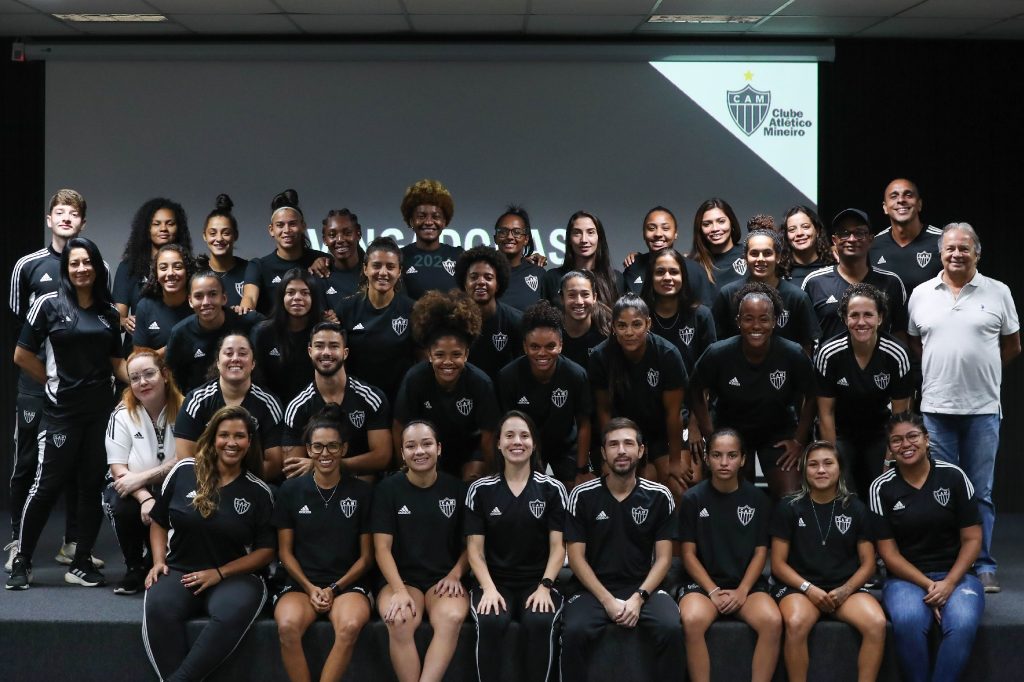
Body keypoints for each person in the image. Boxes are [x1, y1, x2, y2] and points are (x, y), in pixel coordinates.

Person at [8, 237, 128, 590]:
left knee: (91, 488)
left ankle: (80, 563)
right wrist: (51, 382)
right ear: (66, 268)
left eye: (87, 262)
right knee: (45, 487)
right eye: (74, 263)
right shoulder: (48, 304)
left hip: (99, 415)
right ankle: (23, 560)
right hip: (61, 414)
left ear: (96, 266)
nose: (81, 269)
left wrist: (138, 378)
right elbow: (22, 354)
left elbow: (116, 362)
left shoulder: (108, 312)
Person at [907, 222, 1020, 593]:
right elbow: (916, 345)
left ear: (977, 253)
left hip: (983, 410)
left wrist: (981, 373)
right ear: (940, 253)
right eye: (950, 248)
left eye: (964, 248)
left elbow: (1012, 345)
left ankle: (983, 563)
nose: (956, 254)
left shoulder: (999, 292)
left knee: (980, 493)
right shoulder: (922, 294)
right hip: (936, 409)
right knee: (941, 491)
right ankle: (947, 562)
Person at [142, 405, 275, 682]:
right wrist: (158, 561)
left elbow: (265, 552)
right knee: (158, 608)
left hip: (233, 575)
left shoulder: (259, 492)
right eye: (224, 435)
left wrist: (219, 573)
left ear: (250, 441)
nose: (231, 442)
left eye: (239, 436)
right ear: (213, 438)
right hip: (180, 569)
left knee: (230, 613)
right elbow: (158, 521)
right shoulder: (184, 471)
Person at [6, 189, 92, 573]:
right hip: (36, 382)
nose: (66, 218)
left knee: (75, 465)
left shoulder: (92, 264)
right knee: (26, 462)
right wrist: (46, 375)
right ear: (49, 219)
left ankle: (72, 543)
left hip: (75, 386)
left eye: (73, 214)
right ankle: (17, 541)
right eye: (59, 212)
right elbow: (20, 327)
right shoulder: (28, 266)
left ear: (82, 222)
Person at [561, 418, 682, 682]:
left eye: (629, 443)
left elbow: (663, 560)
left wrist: (638, 598)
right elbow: (577, 559)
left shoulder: (660, 496)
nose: (622, 450)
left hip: (642, 587)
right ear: (603, 453)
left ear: (641, 450)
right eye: (613, 445)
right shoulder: (582, 496)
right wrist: (606, 600)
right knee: (573, 631)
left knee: (671, 628)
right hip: (592, 590)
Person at [869, 413, 985, 682]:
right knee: (909, 622)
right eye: (896, 440)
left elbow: (972, 540)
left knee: (962, 624)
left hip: (957, 576)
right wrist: (928, 585)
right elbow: (888, 554)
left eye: (912, 436)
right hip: (905, 578)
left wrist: (948, 583)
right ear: (890, 447)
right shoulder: (880, 488)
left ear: (927, 439)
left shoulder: (954, 477)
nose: (905, 444)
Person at [770, 441, 886, 682]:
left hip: (845, 588)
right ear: (803, 470)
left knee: (876, 623)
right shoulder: (788, 507)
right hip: (800, 588)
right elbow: (778, 565)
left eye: (827, 463)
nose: (820, 470)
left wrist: (845, 590)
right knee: (795, 622)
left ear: (840, 469)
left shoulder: (856, 508)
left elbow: (868, 564)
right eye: (813, 465)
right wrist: (808, 589)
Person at [465, 411, 568, 682]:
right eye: (509, 436)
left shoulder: (552, 489)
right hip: (495, 582)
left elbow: (558, 547)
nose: (517, 442)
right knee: (490, 620)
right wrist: (487, 588)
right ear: (498, 443)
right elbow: (474, 550)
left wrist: (545, 586)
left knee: (540, 621)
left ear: (534, 443)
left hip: (537, 582)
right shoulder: (481, 489)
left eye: (524, 435)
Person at [273, 406, 374, 682]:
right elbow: (284, 552)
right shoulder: (290, 491)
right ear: (307, 449)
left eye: (332, 446)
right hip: (301, 583)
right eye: (318, 447)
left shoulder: (363, 492)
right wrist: (311, 587)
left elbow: (367, 558)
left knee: (350, 626)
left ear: (344, 449)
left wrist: (334, 588)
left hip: (347, 584)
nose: (325, 453)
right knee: (287, 626)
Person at [689, 283, 815, 499]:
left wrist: (799, 440)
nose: (756, 325)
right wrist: (710, 434)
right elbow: (695, 390)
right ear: (738, 322)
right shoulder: (719, 353)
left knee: (791, 496)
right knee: (732, 494)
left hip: (777, 432)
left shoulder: (792, 353)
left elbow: (813, 396)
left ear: (774, 322)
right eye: (748, 319)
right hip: (732, 431)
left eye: (764, 319)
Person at [678, 428, 780, 682]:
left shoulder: (758, 499)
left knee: (772, 621)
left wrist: (743, 590)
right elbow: (688, 554)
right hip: (703, 586)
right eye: (717, 455)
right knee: (691, 620)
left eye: (732, 455)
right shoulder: (692, 499)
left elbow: (761, 552)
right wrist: (712, 590)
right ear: (707, 459)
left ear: (743, 459)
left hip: (745, 587)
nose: (724, 463)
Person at [372, 420, 469, 682]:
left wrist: (455, 574)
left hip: (443, 578)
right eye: (411, 446)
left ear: (439, 448)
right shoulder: (387, 490)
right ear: (402, 453)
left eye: (427, 444)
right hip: (401, 579)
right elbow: (381, 549)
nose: (420, 451)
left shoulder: (458, 490)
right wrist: (400, 591)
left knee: (452, 616)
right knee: (399, 619)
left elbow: (472, 546)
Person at [815, 283, 913, 498]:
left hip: (879, 431)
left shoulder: (897, 354)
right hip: (841, 433)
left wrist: (890, 460)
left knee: (882, 490)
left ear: (880, 318)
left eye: (868, 315)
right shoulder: (829, 353)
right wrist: (833, 460)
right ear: (844, 318)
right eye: (854, 315)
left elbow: (900, 416)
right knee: (843, 492)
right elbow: (825, 413)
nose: (861, 322)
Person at [393, 290, 499, 481]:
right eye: (440, 355)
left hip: (469, 451)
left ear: (466, 354)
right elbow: (399, 426)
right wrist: (404, 469)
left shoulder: (481, 383)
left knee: (472, 476)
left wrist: (491, 478)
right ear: (429, 354)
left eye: (456, 355)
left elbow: (488, 436)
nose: (448, 362)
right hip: (427, 448)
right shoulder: (414, 379)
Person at [591, 293, 688, 498]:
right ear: (613, 327)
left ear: (648, 324)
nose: (629, 332)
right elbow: (604, 410)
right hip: (623, 434)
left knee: (678, 487)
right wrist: (608, 454)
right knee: (631, 486)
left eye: (636, 324)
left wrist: (675, 462)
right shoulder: (601, 357)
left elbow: (673, 413)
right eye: (622, 326)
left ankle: (674, 531)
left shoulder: (667, 354)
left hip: (661, 433)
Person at [103, 348, 183, 595]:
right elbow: (118, 469)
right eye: (135, 377)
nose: (142, 382)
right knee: (118, 501)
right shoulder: (121, 414)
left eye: (149, 374)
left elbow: (187, 460)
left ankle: (169, 560)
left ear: (165, 374)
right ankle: (135, 567)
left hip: (176, 485)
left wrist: (145, 476)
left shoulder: (186, 408)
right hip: (135, 490)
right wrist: (145, 496)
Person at [497, 301, 592, 486]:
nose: (542, 353)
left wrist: (582, 469)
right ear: (525, 346)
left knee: (575, 488)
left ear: (561, 345)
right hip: (525, 446)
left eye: (550, 346)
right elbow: (504, 428)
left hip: (565, 446)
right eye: (534, 347)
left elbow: (584, 424)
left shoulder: (576, 374)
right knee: (528, 490)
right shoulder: (508, 376)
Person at [282, 322, 391, 479]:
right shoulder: (298, 407)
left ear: (345, 353)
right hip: (317, 492)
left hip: (363, 489)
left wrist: (327, 463)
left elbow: (382, 458)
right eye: (319, 346)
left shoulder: (371, 398)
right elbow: (293, 469)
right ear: (310, 351)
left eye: (334, 346)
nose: (326, 352)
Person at [173, 333, 285, 480]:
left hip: (252, 484)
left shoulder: (270, 403)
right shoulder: (196, 400)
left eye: (243, 353)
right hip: (205, 482)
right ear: (218, 362)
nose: (235, 358)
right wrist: (218, 484)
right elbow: (186, 458)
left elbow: (274, 463)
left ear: (253, 363)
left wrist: (236, 486)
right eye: (228, 353)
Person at [802, 208, 908, 342]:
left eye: (859, 233)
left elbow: (900, 334)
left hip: (880, 362)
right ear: (834, 240)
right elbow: (804, 337)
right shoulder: (815, 282)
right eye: (844, 233)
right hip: (828, 362)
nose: (851, 239)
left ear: (871, 239)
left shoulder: (891, 282)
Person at [333, 236, 417, 403]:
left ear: (399, 271)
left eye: (391, 267)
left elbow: (421, 360)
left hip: (399, 401)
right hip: (356, 400)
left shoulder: (412, 310)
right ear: (365, 269)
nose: (383, 273)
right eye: (376, 265)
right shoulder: (346, 308)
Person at [712, 229, 819, 354]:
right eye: (754, 253)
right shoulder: (728, 294)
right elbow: (717, 341)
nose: (761, 259)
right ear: (745, 258)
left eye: (767, 253)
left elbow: (806, 345)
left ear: (778, 257)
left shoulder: (797, 297)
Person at [165, 271, 264, 394]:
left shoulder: (246, 321)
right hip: (198, 404)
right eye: (198, 296)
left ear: (224, 298)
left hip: (244, 399)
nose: (206, 302)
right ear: (190, 301)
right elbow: (171, 375)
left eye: (212, 294)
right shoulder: (180, 333)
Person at [114, 197, 193, 337]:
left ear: (178, 227)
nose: (163, 229)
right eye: (156, 224)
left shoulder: (189, 266)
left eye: (170, 223)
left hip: (181, 346)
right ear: (146, 229)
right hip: (139, 350)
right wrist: (124, 321)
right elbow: (118, 316)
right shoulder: (128, 267)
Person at [250, 268, 325, 407]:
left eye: (305, 293)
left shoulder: (322, 333)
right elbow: (254, 378)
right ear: (281, 297)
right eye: (290, 292)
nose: (297, 297)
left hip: (313, 409)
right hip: (270, 407)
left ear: (313, 298)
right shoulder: (262, 332)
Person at [241, 189, 321, 316]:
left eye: (292, 224)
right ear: (271, 230)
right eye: (280, 225)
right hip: (272, 334)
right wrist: (244, 310)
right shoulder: (258, 266)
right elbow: (249, 298)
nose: (287, 230)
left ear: (303, 226)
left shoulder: (321, 261)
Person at [639, 248, 716, 375]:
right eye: (660, 272)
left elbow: (711, 363)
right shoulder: (640, 316)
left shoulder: (701, 315)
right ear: (651, 277)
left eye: (674, 272)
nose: (667, 277)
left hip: (692, 390)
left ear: (683, 276)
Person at [455, 245, 523, 381]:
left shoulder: (517, 321)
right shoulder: (453, 321)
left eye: (488, 277)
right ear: (464, 283)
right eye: (474, 277)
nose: (481, 282)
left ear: (498, 284)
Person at [624, 206, 714, 305]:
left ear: (675, 233)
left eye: (665, 228)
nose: (658, 233)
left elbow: (706, 313)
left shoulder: (694, 270)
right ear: (643, 233)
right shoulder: (633, 268)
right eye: (651, 228)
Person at [870, 178, 943, 293]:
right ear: (885, 208)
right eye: (894, 196)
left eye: (908, 195)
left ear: (919, 204)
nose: (901, 200)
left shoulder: (943, 241)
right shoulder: (872, 245)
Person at [398, 179, 464, 300]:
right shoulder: (399, 257)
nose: (428, 222)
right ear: (411, 221)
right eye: (421, 216)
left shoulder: (459, 256)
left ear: (445, 221)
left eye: (436, 216)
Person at [542, 211, 624, 307]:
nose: (584, 240)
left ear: (599, 238)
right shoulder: (552, 278)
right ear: (569, 239)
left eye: (590, 232)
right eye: (577, 233)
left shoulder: (615, 278)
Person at [131, 244, 195, 354]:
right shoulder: (145, 307)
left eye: (178, 267)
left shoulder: (201, 303)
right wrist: (171, 347)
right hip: (159, 371)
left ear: (187, 271)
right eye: (163, 268)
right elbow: (140, 358)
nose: (170, 273)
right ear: (156, 273)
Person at [198, 193, 248, 309]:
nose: (219, 239)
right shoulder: (196, 272)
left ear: (235, 235)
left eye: (226, 233)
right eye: (213, 233)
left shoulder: (249, 269)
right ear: (204, 236)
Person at [688, 198, 747, 297]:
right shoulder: (693, 264)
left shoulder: (749, 255)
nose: (715, 229)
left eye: (721, 221)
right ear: (700, 229)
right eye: (707, 224)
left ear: (731, 222)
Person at [494, 205, 546, 311]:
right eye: (503, 231)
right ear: (495, 238)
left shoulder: (538, 273)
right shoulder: (485, 273)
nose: (509, 237)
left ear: (526, 239)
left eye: (517, 232)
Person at [557, 269, 611, 370]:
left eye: (585, 294)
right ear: (562, 298)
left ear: (594, 297)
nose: (579, 301)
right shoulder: (553, 335)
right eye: (572, 295)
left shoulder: (607, 337)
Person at [319, 209, 365, 311]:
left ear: (358, 234)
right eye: (332, 235)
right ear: (324, 240)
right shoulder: (320, 277)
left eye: (347, 233)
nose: (339, 239)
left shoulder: (374, 273)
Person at [779, 206, 834, 288]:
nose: (799, 233)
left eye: (805, 227)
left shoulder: (834, 266)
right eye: (792, 229)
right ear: (786, 235)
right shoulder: (779, 271)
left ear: (817, 231)